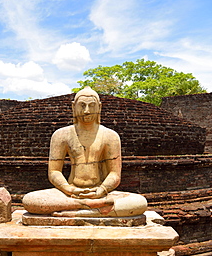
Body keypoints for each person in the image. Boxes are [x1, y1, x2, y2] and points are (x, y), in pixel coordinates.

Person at [23, 87, 147, 217]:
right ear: (73, 107)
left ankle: (80, 211)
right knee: (30, 200)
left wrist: (101, 190)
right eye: (82, 106)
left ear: (99, 107)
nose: (86, 111)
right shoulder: (61, 135)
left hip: (99, 192)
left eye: (91, 106)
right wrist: (69, 189)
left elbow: (114, 174)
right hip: (70, 192)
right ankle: (93, 210)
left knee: (139, 202)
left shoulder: (110, 136)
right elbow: (54, 172)